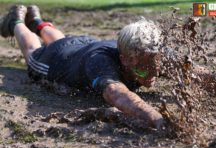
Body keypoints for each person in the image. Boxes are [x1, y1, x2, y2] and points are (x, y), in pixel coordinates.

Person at [0, 5, 165, 129]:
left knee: (61, 41)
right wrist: (157, 119)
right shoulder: (101, 63)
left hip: (82, 45)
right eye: (143, 67)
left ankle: (37, 23)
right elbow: (116, 95)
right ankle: (16, 22)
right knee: (33, 53)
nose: (153, 71)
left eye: (156, 65)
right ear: (124, 59)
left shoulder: (151, 52)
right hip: (58, 58)